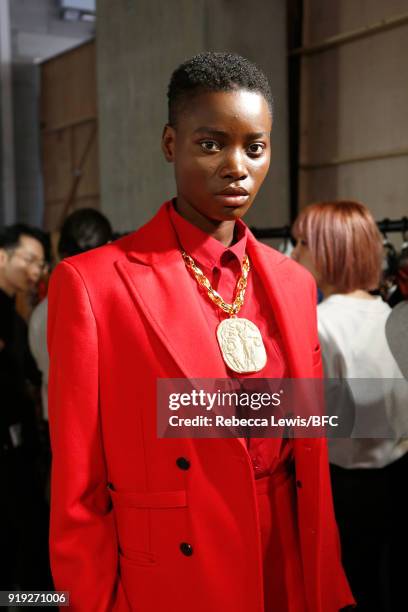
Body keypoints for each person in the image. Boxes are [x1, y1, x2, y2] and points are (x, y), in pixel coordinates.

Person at [48, 52, 354, 612]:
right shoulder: (93, 285)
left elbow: (307, 452)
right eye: (210, 144)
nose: (236, 166)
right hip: (175, 573)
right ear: (171, 144)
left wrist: (326, 582)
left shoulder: (292, 283)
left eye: (254, 148)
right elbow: (77, 488)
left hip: (287, 562)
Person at [292, 200, 408, 612]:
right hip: (395, 480)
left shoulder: (319, 323)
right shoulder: (390, 315)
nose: (294, 253)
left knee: (349, 591)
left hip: (344, 491)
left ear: (325, 249)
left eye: (300, 242)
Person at [0, 223, 52, 589]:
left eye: (42, 265)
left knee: (28, 547)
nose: (35, 272)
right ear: (2, 256)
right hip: (7, 455)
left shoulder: (17, 318)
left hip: (21, 452)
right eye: (29, 260)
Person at [29, 208, 113, 420]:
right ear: (109, 247)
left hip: (60, 421)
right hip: (107, 420)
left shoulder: (41, 313)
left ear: (62, 253)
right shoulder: (119, 302)